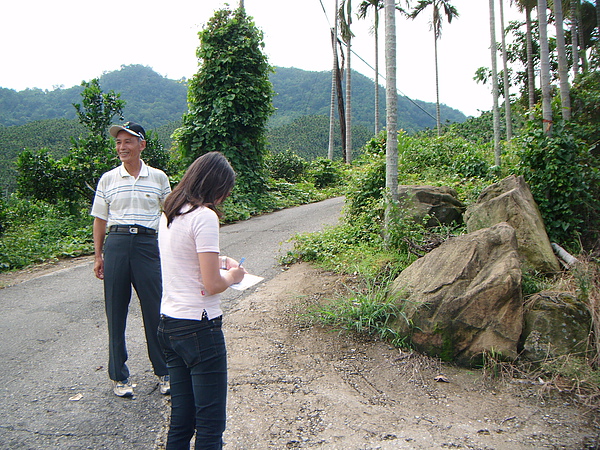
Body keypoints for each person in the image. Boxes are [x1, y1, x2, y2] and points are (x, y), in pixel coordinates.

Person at [157, 151, 246, 449]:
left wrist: (220, 260)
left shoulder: (170, 211)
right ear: (216, 186)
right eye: (225, 191)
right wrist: (234, 276)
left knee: (181, 422)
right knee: (210, 426)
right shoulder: (204, 216)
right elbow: (211, 285)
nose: (224, 198)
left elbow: (183, 258)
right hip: (200, 328)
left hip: (169, 326)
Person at [91, 121, 171, 398]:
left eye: (127, 142)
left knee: (155, 310)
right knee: (115, 311)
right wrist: (98, 255)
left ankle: (165, 371)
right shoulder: (108, 179)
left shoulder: (159, 177)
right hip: (116, 244)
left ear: (141, 145)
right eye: (118, 142)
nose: (121, 147)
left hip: (148, 245)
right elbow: (100, 219)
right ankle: (118, 376)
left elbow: (170, 215)